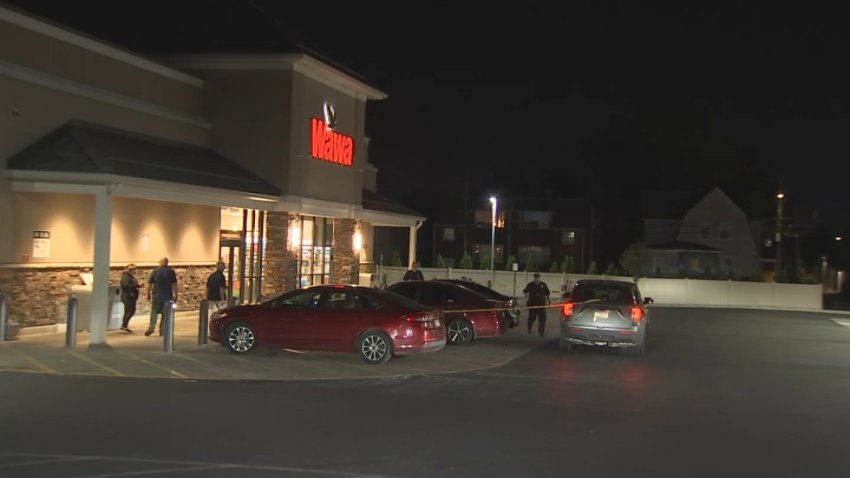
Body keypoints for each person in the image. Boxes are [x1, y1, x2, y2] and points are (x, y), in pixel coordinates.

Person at [146, 257, 178, 336]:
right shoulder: (171, 271)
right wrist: (176, 294)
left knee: (154, 312)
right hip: (167, 296)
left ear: (160, 262)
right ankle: (162, 330)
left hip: (156, 295)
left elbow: (150, 283)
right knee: (165, 314)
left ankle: (152, 327)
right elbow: (174, 284)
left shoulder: (155, 271)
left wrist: (148, 293)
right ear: (167, 263)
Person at [523, 272, 551, 337]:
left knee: (542, 319)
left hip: (541, 305)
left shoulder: (543, 285)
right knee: (532, 318)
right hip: (532, 304)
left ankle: (541, 332)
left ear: (539, 278)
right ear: (534, 278)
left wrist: (549, 301)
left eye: (537, 277)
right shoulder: (530, 285)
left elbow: (547, 293)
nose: (536, 279)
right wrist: (526, 300)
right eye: (535, 277)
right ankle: (529, 328)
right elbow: (525, 292)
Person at [119, 263, 141, 333]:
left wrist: (138, 286)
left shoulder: (130, 276)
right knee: (130, 310)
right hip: (128, 296)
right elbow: (126, 285)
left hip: (131, 296)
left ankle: (125, 325)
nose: (135, 271)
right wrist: (136, 285)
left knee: (129, 310)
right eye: (134, 269)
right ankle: (124, 325)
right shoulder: (126, 276)